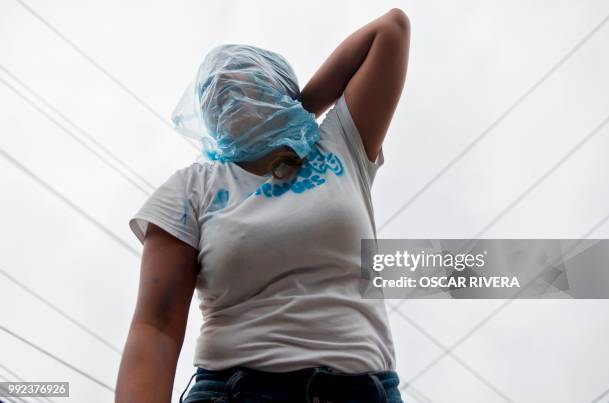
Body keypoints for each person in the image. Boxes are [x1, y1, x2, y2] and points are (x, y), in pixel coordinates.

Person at [116, 7, 410, 403]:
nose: (222, 88)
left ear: (278, 87)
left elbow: (389, 30)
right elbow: (157, 326)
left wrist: (299, 114)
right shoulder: (192, 187)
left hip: (363, 391)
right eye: (211, 91)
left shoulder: (341, 142)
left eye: (242, 76)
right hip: (235, 391)